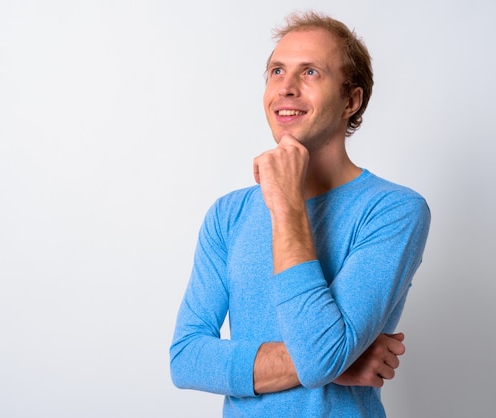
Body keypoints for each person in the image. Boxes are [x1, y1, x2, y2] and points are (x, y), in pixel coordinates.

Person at [169, 10, 431, 417]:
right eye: (276, 71)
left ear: (351, 100)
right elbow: (186, 359)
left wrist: (287, 202)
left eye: (310, 72)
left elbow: (320, 356)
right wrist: (334, 361)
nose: (286, 88)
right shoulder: (228, 214)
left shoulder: (393, 210)